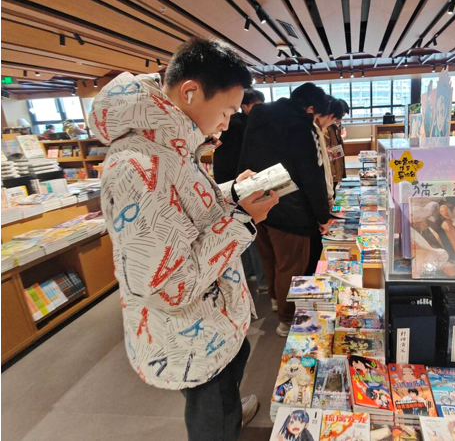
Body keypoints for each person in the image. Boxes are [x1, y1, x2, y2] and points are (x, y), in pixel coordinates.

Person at [90, 37, 278, 441]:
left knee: (227, 385)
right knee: (211, 412)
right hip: (189, 332)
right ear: (190, 91)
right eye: (226, 111)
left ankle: (230, 414)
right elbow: (170, 284)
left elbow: (185, 211)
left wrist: (232, 194)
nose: (227, 123)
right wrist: (243, 219)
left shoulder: (169, 147)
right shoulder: (136, 166)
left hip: (211, 318)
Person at [238, 82, 330, 337]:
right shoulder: (299, 125)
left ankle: (277, 302)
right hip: (291, 210)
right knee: (291, 265)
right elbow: (311, 175)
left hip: (258, 204)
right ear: (310, 108)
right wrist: (322, 216)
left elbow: (244, 161)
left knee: (270, 259)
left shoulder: (258, 117)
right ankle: (287, 320)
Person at [212, 88, 267, 293]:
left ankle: (250, 273)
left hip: (230, 182)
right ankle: (261, 280)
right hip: (237, 183)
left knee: (240, 225)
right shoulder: (240, 125)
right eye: (257, 106)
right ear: (244, 106)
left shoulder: (237, 123)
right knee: (249, 227)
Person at [304, 96, 348, 276]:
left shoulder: (319, 129)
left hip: (326, 187)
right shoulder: (312, 131)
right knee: (313, 246)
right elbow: (316, 174)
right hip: (315, 196)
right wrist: (326, 200)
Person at [324, 100, 348, 195]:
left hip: (335, 170)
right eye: (340, 116)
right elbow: (327, 153)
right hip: (331, 172)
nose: (340, 119)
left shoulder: (334, 127)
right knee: (331, 194)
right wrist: (332, 171)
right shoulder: (326, 128)